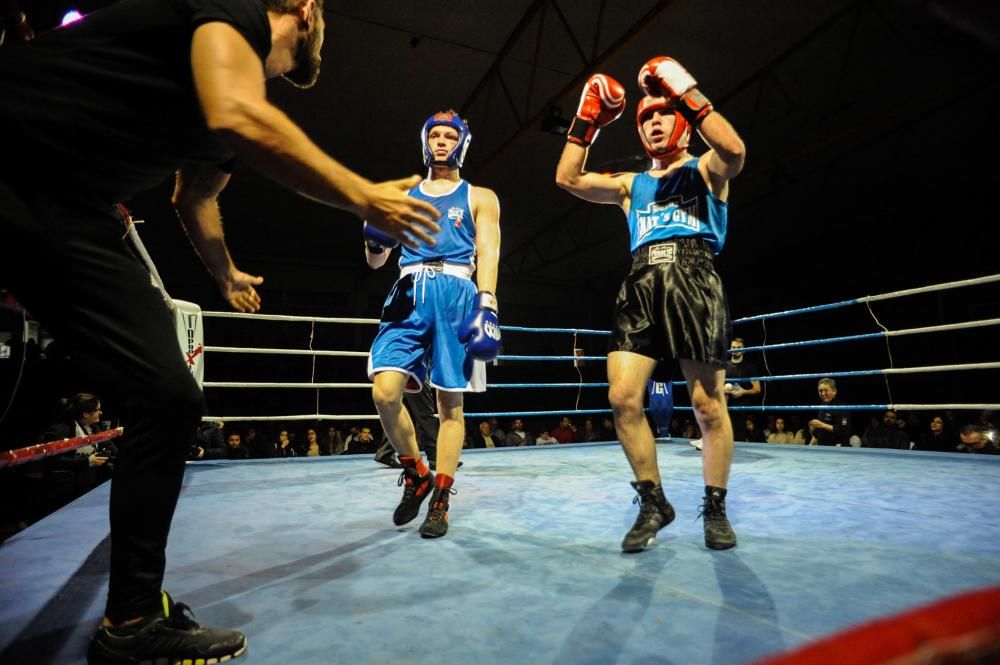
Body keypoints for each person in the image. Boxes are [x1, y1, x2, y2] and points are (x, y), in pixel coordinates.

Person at [0, 1, 442, 663]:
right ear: (307, 8)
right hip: (19, 161)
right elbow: (236, 113)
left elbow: (194, 196)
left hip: (64, 205)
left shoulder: (238, 90)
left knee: (165, 395)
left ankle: (131, 617)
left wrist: (227, 271)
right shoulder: (229, 15)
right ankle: (130, 616)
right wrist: (364, 196)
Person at [555, 56, 745, 552]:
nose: (654, 121)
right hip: (641, 282)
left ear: (680, 117)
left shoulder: (705, 171)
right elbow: (568, 178)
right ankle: (653, 501)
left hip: (694, 276)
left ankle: (716, 508)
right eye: (645, 117)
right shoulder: (629, 185)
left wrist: (686, 90)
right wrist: (587, 120)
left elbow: (733, 148)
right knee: (622, 397)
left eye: (662, 113)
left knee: (707, 405)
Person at [366, 110, 501, 539]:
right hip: (408, 291)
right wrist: (373, 238)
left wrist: (488, 303)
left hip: (457, 292)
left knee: (449, 407)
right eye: (435, 135)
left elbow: (490, 250)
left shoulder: (480, 196)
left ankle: (440, 496)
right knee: (385, 392)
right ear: (425, 141)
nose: (442, 142)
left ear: (462, 142)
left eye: (450, 136)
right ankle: (416, 472)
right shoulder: (403, 194)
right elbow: (376, 261)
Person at [808, 378, 851, 446]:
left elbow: (844, 431)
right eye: (820, 391)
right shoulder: (822, 406)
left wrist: (822, 425)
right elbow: (818, 434)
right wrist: (813, 430)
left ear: (834, 391)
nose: (823, 393)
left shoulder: (842, 407)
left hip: (838, 448)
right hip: (822, 447)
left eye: (826, 390)